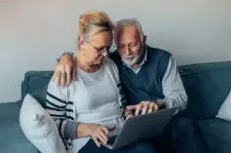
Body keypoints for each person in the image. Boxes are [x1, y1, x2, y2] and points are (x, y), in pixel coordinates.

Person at [53, 18, 209, 153]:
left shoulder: (163, 60)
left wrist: (160, 104)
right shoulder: (112, 62)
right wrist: (65, 58)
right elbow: (86, 57)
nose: (127, 52)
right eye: (121, 46)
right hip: (133, 128)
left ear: (144, 40)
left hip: (159, 122)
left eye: (133, 44)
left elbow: (180, 99)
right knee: (142, 148)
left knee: (186, 126)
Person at [46, 12, 155, 153]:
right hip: (88, 142)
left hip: (120, 137)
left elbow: (121, 107)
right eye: (99, 49)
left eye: (108, 48)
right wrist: (89, 129)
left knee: (146, 150)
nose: (105, 54)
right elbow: (53, 125)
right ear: (81, 42)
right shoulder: (63, 74)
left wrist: (131, 122)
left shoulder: (111, 66)